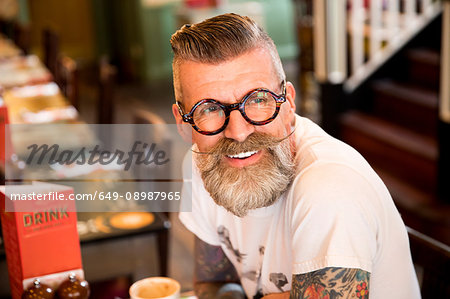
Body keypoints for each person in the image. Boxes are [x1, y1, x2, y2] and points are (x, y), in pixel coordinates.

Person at [170, 13, 420, 299]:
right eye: (210, 109)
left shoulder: (331, 189)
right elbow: (213, 282)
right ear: (182, 122)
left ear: (288, 102)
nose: (238, 132)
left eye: (258, 99)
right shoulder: (203, 163)